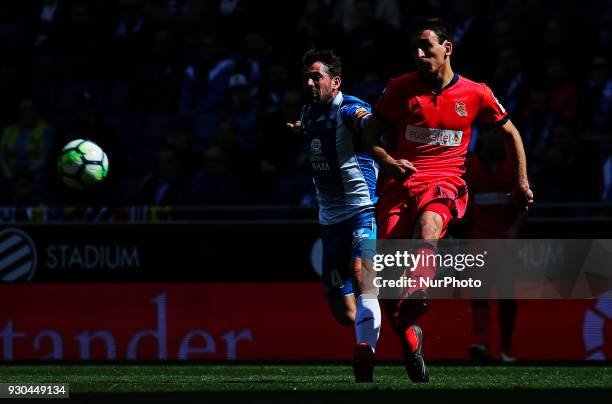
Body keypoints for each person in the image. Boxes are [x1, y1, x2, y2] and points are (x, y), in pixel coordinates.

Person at [362, 19, 533, 382]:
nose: (420, 55)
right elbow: (369, 134)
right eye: (415, 49)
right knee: (387, 280)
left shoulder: (476, 93)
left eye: (427, 47)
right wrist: (388, 161)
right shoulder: (399, 90)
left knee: (430, 223)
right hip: (399, 185)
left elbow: (511, 133)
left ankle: (421, 282)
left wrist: (520, 182)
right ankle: (411, 340)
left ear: (447, 48)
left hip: (446, 182)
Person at [287, 50, 381, 382]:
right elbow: (317, 132)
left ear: (335, 81)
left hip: (361, 213)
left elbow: (364, 121)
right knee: (343, 312)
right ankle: (369, 332)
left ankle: (365, 356)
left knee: (362, 278)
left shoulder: (350, 108)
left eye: (317, 77)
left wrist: (372, 123)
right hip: (329, 223)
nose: (310, 83)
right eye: (306, 78)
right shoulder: (308, 114)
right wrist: (303, 129)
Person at [465, 127, 523, 362]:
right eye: (487, 134)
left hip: (506, 243)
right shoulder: (469, 164)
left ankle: (506, 350)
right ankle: (482, 344)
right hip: (478, 241)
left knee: (507, 298)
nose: (491, 138)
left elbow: (525, 199)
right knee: (479, 295)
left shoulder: (514, 164)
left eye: (495, 135)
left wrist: (516, 228)